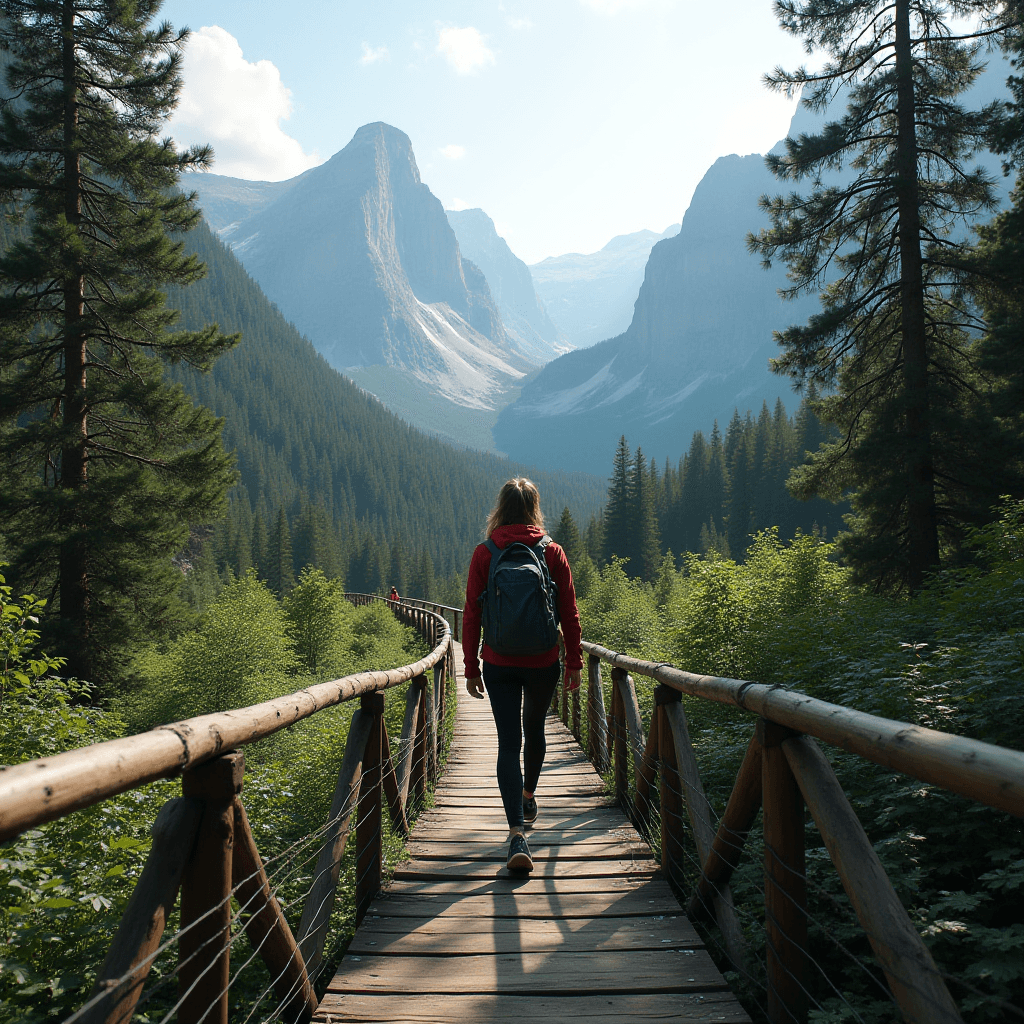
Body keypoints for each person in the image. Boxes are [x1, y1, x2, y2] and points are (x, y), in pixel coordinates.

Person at [462, 477, 583, 872]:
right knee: (535, 729)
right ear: (534, 507)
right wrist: (574, 661)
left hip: (498, 660)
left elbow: (472, 615)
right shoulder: (552, 552)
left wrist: (470, 666)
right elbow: (569, 614)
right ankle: (529, 794)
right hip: (543, 660)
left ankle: (516, 832)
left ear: (500, 507)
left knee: (506, 742)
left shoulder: (485, 553)